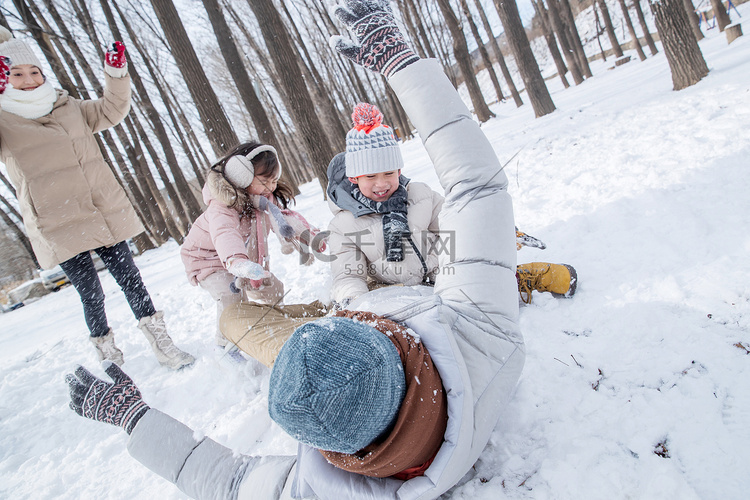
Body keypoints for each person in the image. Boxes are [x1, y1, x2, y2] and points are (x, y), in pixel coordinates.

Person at [65, 0, 526, 498]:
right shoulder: (481, 339)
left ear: (331, 447)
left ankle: (279, 338)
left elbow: (229, 481)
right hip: (384, 305)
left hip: (360, 312)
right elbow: (478, 188)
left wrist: (134, 419)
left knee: (237, 319)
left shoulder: (321, 486)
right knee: (248, 313)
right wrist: (400, 63)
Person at [0, 28, 193, 370]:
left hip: (100, 208)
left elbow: (111, 110)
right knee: (92, 294)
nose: (29, 79)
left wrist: (116, 74)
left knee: (132, 280)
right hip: (55, 220)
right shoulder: (5, 121)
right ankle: (109, 355)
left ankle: (163, 345)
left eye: (34, 71)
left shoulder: (67, 106)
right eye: (16, 73)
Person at [326, 104, 577, 307]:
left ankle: (521, 278)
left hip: (445, 274)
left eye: (388, 173)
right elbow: (349, 275)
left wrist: (496, 234)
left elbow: (458, 221)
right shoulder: (344, 225)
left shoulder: (419, 195)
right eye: (370, 177)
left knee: (486, 284)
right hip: (399, 294)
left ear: (399, 170)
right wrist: (354, 302)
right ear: (354, 179)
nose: (381, 184)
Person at [180, 142, 325, 349]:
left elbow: (282, 221)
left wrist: (309, 234)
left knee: (273, 289)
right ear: (241, 175)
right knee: (231, 296)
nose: (272, 186)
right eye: (265, 180)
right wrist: (237, 262)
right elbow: (224, 233)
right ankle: (226, 344)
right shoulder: (222, 206)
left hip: (243, 260)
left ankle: (274, 322)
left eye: (274, 180)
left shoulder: (263, 199)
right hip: (206, 259)